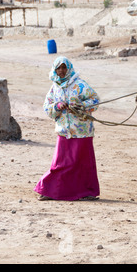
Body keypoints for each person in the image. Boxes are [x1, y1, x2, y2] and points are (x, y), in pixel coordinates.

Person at [34, 56, 101, 201]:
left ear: (69, 68)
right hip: (64, 131)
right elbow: (47, 108)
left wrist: (80, 106)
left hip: (82, 132)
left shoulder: (80, 85)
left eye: (64, 68)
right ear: (55, 70)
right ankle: (50, 190)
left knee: (83, 163)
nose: (62, 71)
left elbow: (95, 100)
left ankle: (87, 192)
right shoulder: (54, 88)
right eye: (59, 68)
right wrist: (57, 106)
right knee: (60, 163)